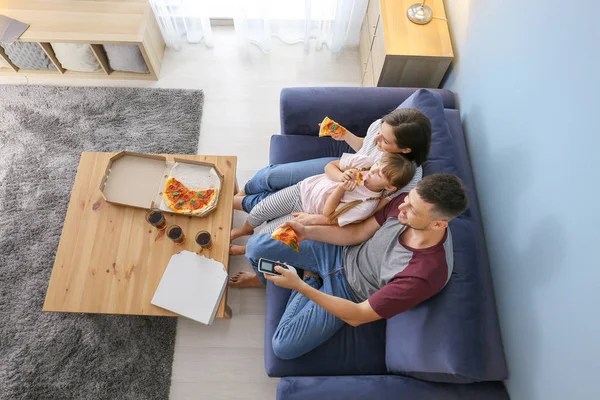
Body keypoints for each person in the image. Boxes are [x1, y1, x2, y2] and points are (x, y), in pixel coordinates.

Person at [236, 174, 469, 360]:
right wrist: (307, 232)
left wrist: (301, 287)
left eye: (412, 210)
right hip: (338, 251)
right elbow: (358, 232)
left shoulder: (425, 274)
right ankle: (279, 277)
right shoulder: (404, 201)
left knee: (283, 346)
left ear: (439, 224)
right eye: (407, 201)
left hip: (348, 292)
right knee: (255, 247)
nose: (402, 208)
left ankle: (309, 278)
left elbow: (358, 316)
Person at [230, 107, 432, 255]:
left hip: (338, 198)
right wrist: (345, 136)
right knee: (269, 176)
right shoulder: (380, 132)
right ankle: (241, 199)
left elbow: (369, 211)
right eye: (380, 132)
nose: (378, 138)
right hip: (338, 174)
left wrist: (322, 219)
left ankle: (237, 206)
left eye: (385, 141)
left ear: (405, 150)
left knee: (268, 229)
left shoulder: (406, 178)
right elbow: (365, 145)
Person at [230, 152, 416, 244]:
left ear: (389, 187)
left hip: (308, 212)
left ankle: (248, 247)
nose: (372, 172)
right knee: (259, 210)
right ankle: (244, 230)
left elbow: (329, 216)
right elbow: (330, 166)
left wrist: (341, 189)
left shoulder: (367, 204)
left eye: (379, 175)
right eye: (377, 166)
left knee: (270, 235)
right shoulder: (363, 164)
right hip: (301, 190)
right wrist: (340, 177)